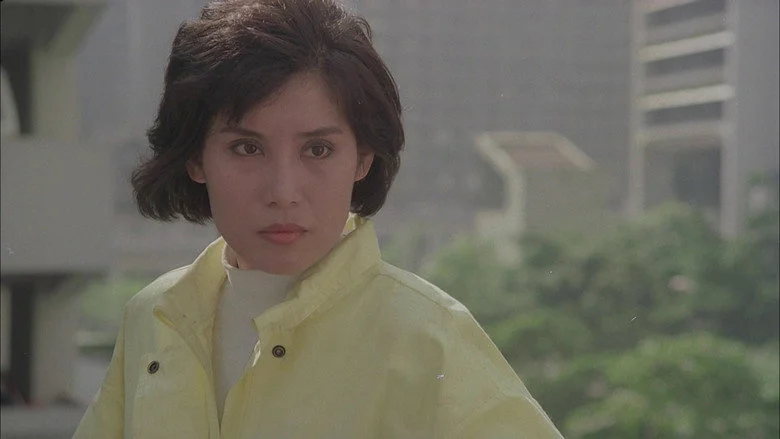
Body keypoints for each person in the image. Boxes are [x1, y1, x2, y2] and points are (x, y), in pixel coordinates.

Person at [73, 0, 564, 437]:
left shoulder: (428, 339)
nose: (283, 192)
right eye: (246, 148)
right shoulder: (153, 316)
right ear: (195, 158)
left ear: (363, 158)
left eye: (318, 149)